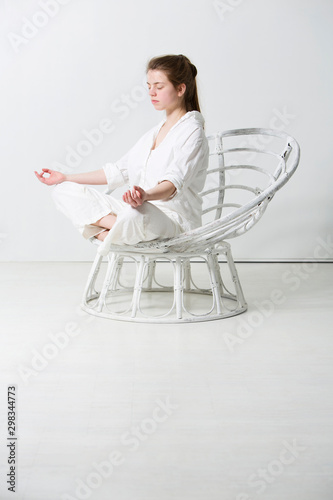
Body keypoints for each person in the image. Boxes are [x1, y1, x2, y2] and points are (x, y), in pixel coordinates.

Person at [34, 54, 209, 256]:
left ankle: (103, 233)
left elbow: (172, 185)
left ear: (180, 89)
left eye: (159, 87)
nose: (151, 92)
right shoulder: (154, 132)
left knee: (138, 212)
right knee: (63, 190)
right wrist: (65, 177)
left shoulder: (192, 132)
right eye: (149, 85)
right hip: (138, 213)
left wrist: (145, 195)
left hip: (171, 222)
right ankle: (116, 230)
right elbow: (116, 172)